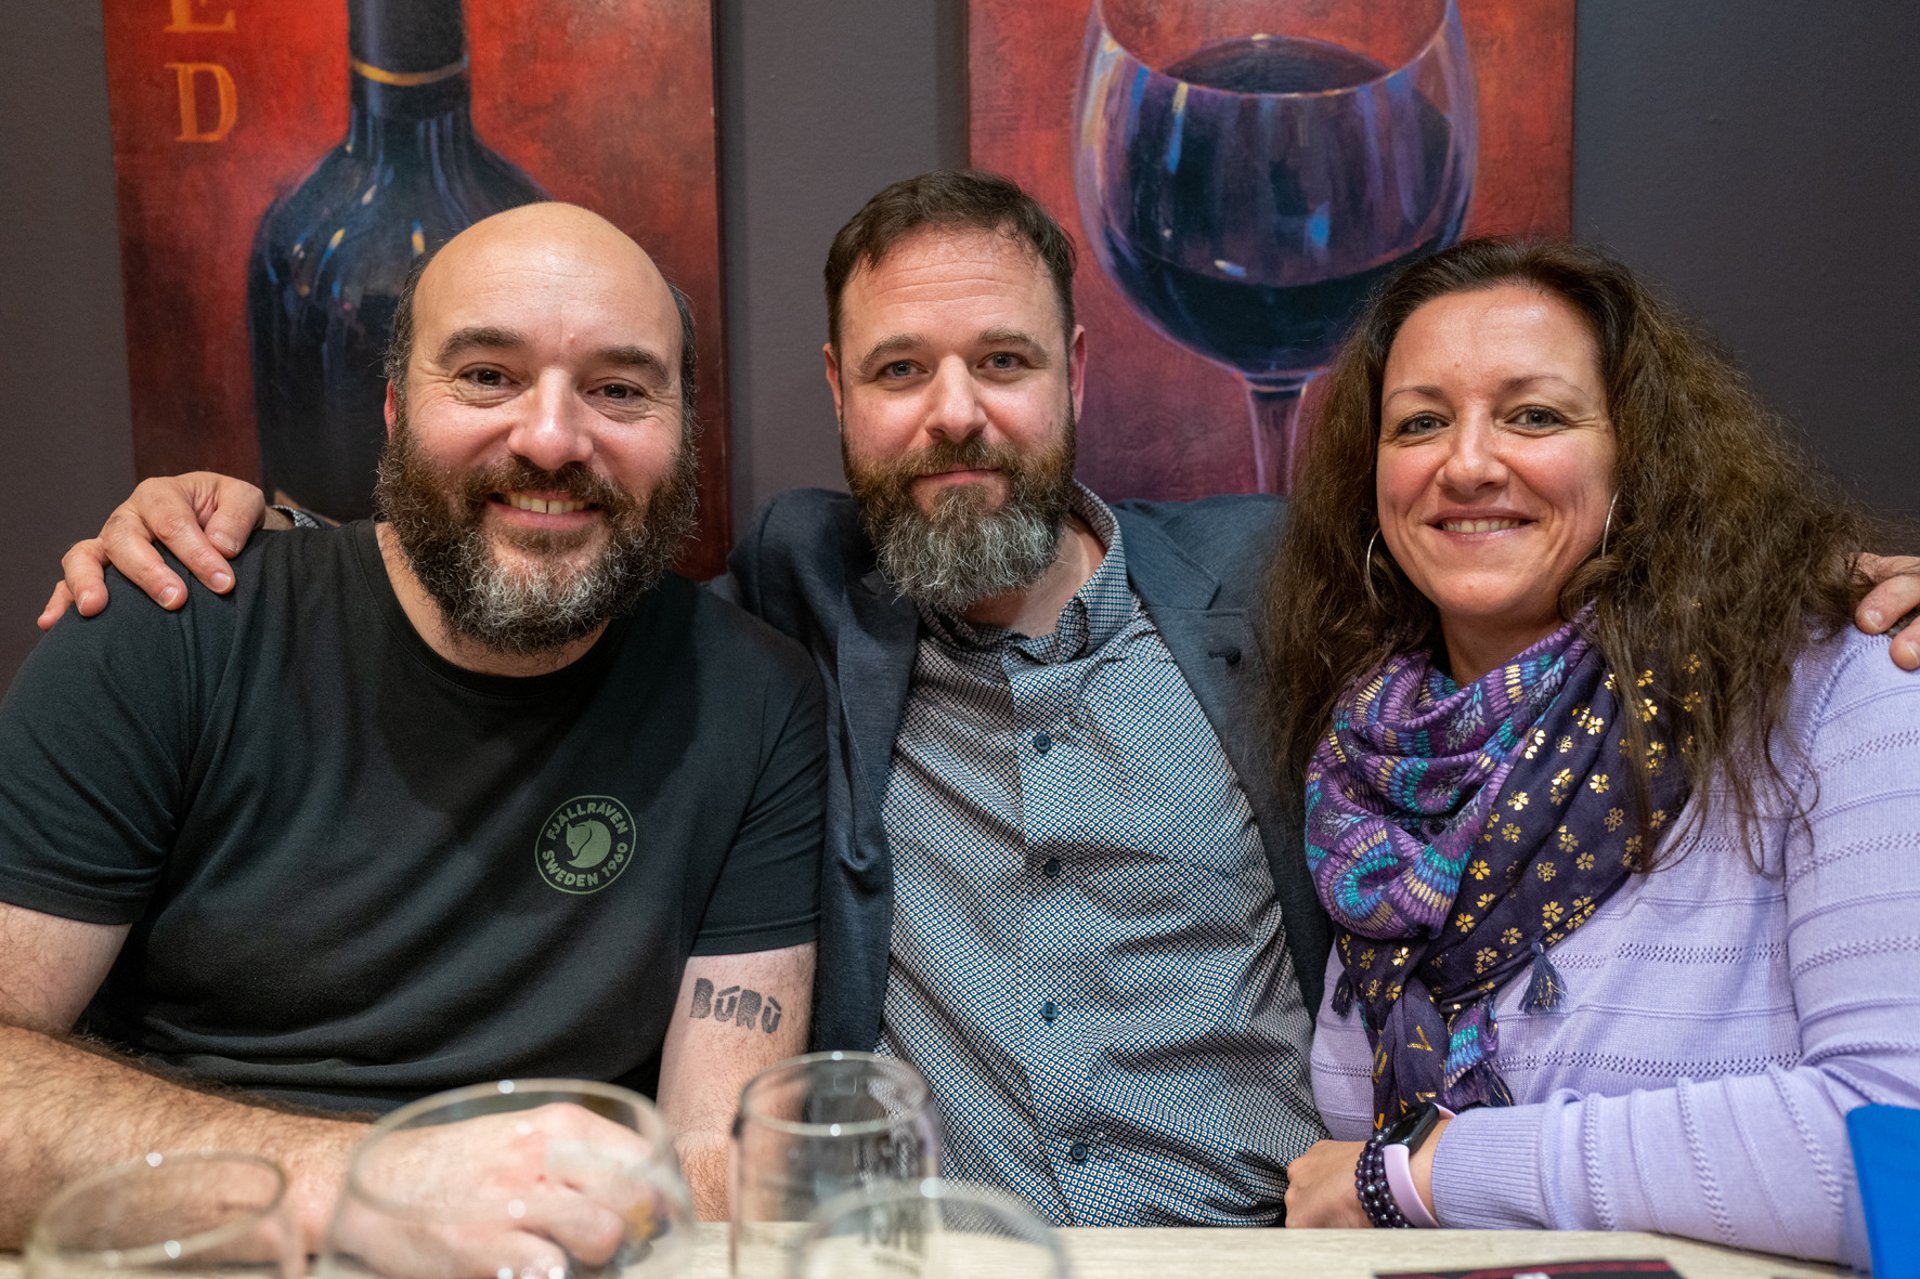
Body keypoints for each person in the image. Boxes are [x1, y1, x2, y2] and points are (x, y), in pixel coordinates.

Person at [39, 173, 1920, 1229]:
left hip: (1275, 1248)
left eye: (1003, 360)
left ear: (1078, 370)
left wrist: (1821, 583)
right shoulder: (787, 613)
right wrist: (258, 527)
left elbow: (1518, 542)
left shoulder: (1282, 584)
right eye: (900, 370)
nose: (956, 414)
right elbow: (529, 543)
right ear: (833, 398)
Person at [0, 202, 825, 1246]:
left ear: (682, 433)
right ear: (395, 408)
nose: (552, 438)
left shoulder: (755, 700)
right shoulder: (169, 622)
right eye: (486, 375)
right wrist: (370, 1186)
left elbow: (716, 1173)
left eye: (619, 389)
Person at [1267, 238, 1920, 1261]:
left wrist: (1423, 1175)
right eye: (1421, 422)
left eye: (1534, 415)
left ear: (1638, 454)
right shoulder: (1364, 770)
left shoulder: (1843, 678)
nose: (1467, 463)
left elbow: (1893, 1142)